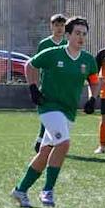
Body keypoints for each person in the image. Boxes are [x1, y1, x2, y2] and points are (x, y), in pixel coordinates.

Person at [12, 16, 98, 208]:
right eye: (77, 33)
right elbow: (30, 65)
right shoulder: (53, 53)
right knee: (64, 144)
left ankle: (20, 189)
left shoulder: (88, 60)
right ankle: (47, 190)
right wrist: (33, 88)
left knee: (45, 152)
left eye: (84, 34)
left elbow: (94, 79)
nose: (81, 37)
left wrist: (93, 98)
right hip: (49, 107)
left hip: (68, 111)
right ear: (68, 35)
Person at [32, 14, 68, 152]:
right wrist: (35, 87)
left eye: (62, 25)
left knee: (61, 115)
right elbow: (35, 65)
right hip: (48, 85)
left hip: (65, 87)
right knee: (48, 112)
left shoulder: (67, 44)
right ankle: (42, 139)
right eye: (56, 25)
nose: (59, 28)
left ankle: (52, 141)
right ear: (51, 26)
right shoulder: (44, 44)